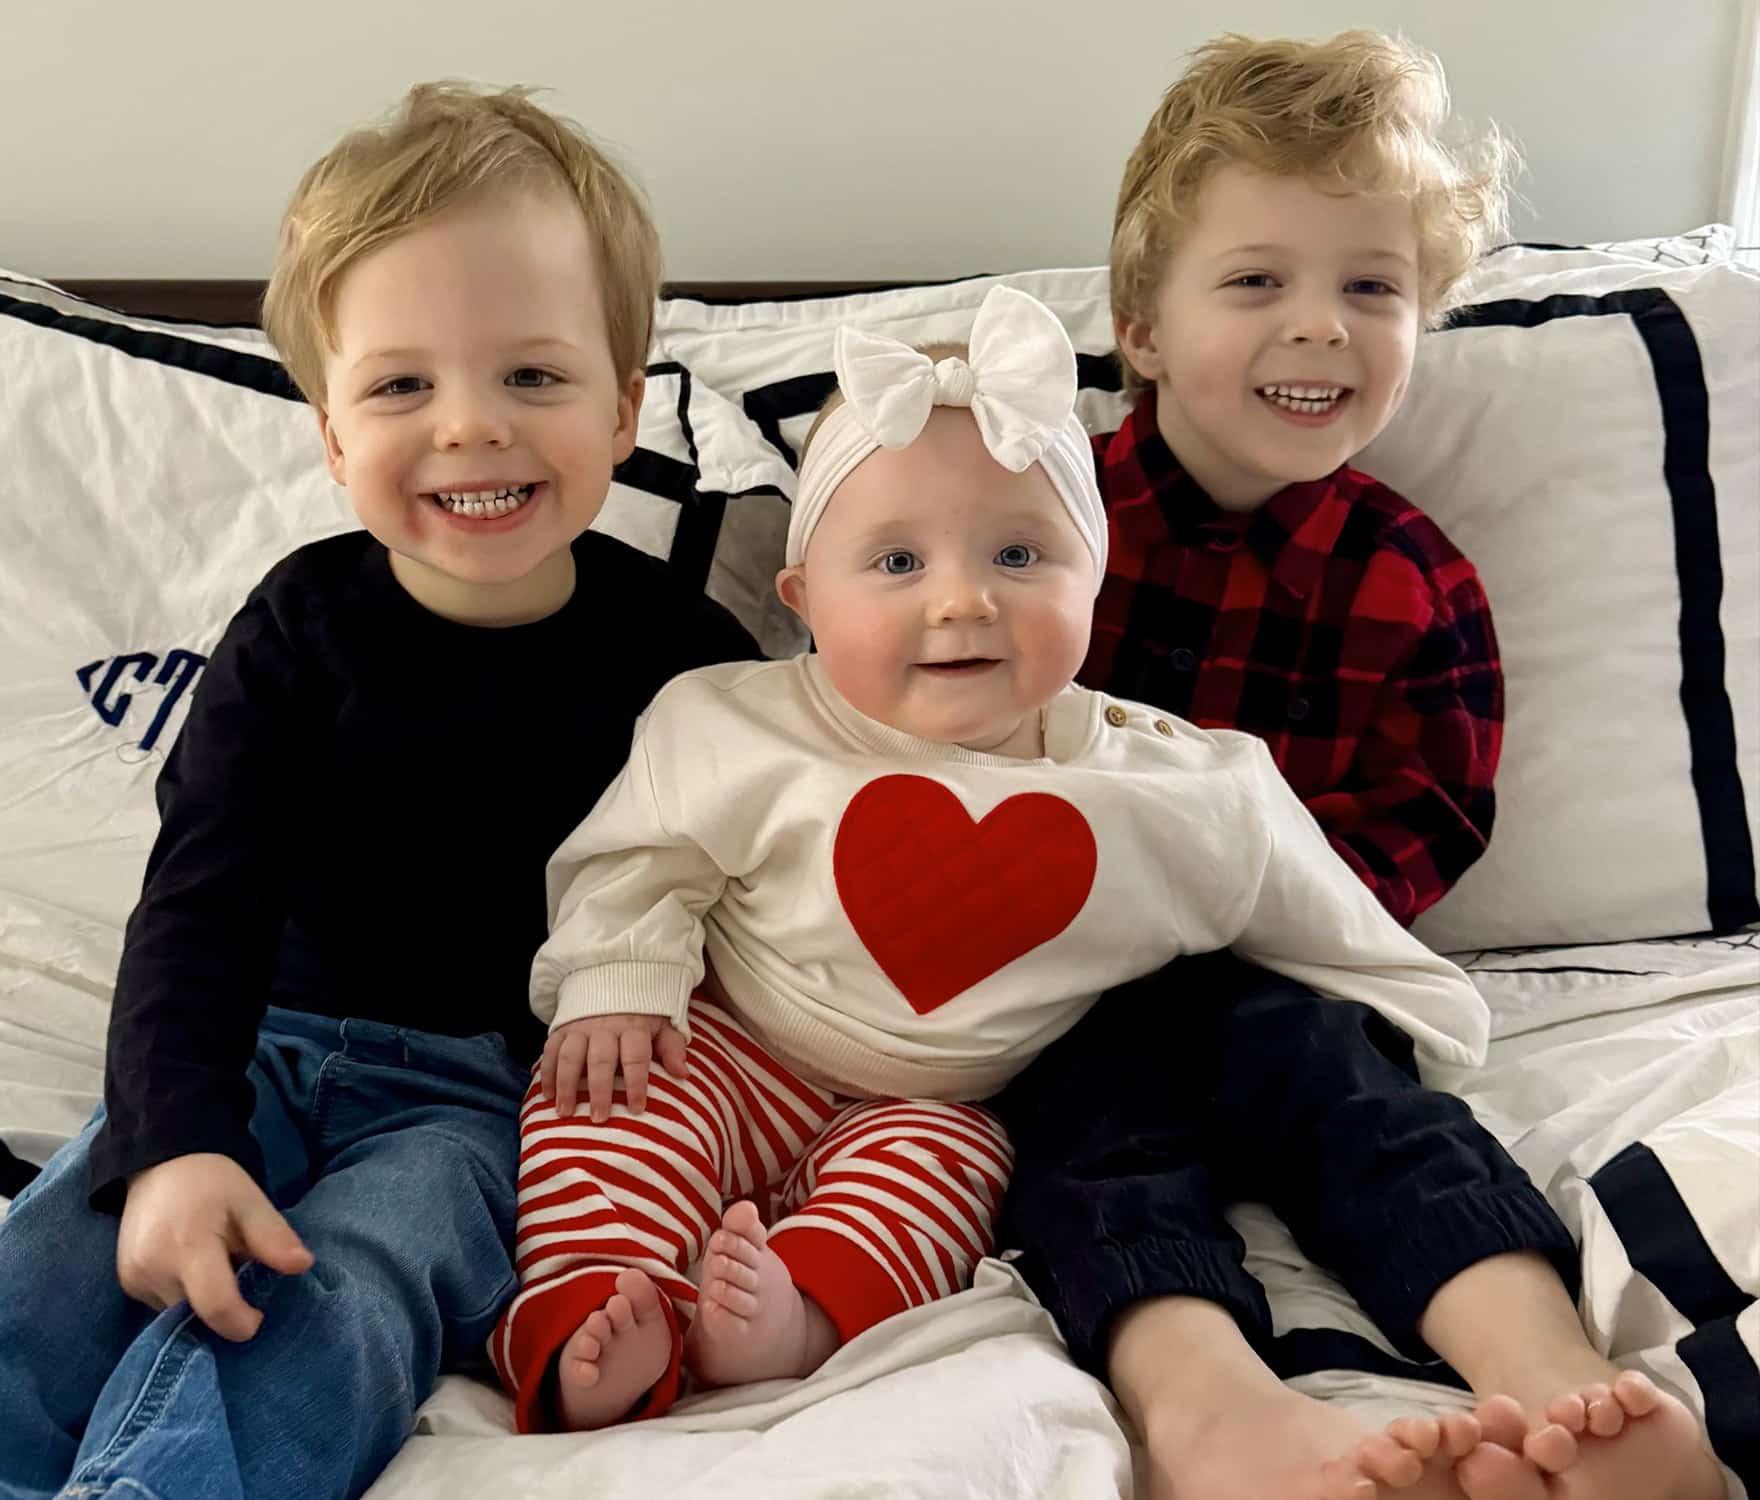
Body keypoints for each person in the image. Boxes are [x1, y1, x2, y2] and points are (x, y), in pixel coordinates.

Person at [0, 81, 757, 1500]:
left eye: (533, 378)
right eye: (401, 385)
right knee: (73, 1235)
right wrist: (176, 1136)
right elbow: (201, 899)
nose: (470, 428)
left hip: (496, 1095)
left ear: (623, 408)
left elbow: (767, 889)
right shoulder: (298, 630)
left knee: (361, 1275)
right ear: (327, 429)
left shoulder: (688, 660)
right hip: (266, 1033)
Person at [484, 284, 1495, 1451]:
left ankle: (793, 1319)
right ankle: (596, 1304)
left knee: (950, 1179)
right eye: (897, 561)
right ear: (805, 602)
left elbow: (1331, 926)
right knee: (609, 1095)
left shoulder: (1174, 795)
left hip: (938, 1100)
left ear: (1093, 575)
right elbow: (637, 858)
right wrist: (616, 981)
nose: (961, 599)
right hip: (733, 1039)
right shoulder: (732, 723)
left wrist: (1427, 1026)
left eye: (1018, 553)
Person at [994, 31, 1728, 1500]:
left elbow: (1433, 814)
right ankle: (1208, 1410)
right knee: (1084, 1140)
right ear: (1139, 325)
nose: (1320, 328)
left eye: (1371, 287)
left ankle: (1559, 1380)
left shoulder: (1416, 576)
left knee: (1378, 1113)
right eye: (1257, 281)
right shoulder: (1040, 529)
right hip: (1068, 976)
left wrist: (1272, 899)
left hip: (1295, 964)